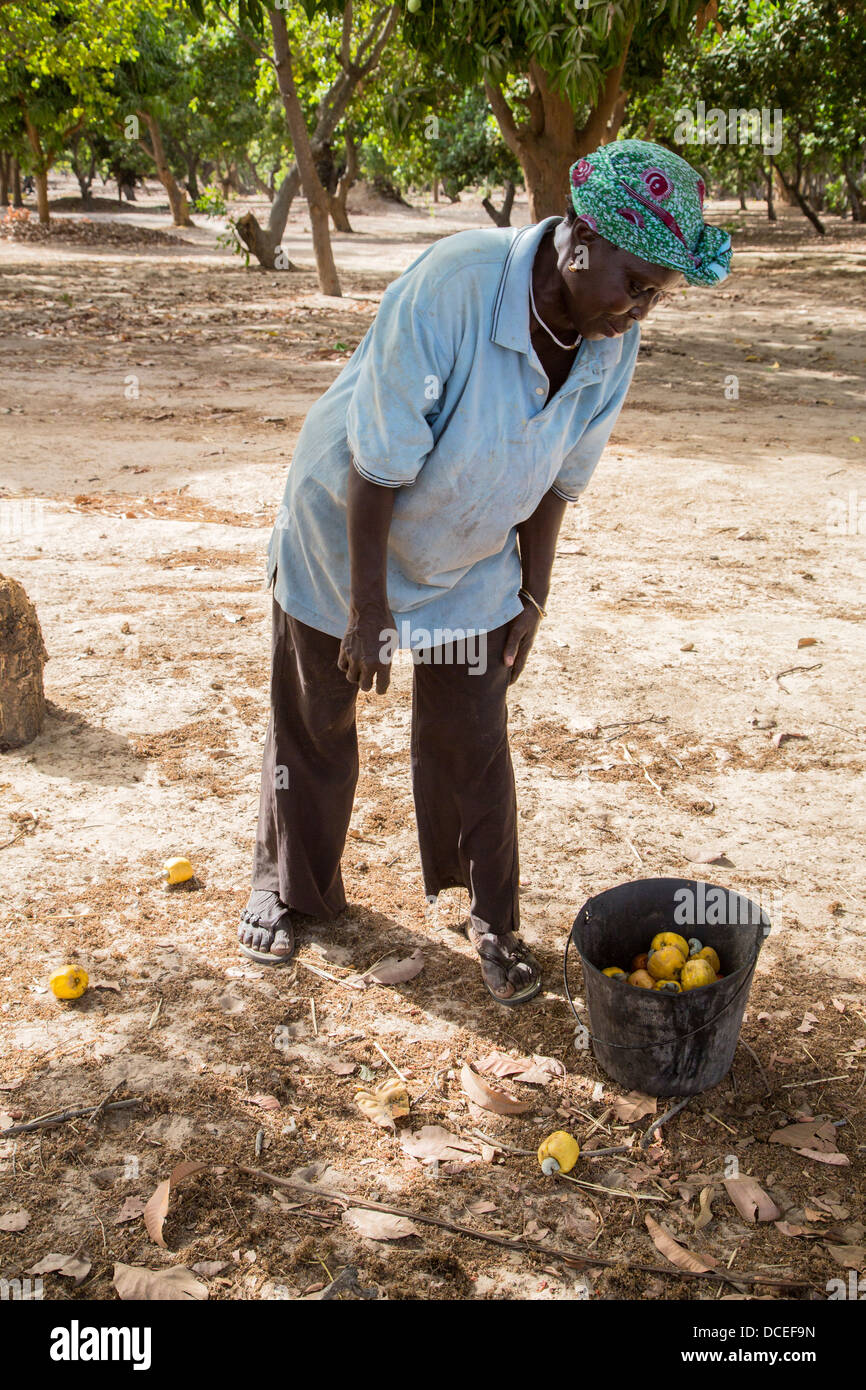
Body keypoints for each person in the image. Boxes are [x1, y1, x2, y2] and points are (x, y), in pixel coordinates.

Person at [237, 138, 732, 1005]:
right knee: (318, 716)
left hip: (469, 551)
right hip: (347, 525)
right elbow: (377, 462)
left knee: (471, 730)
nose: (642, 310)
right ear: (580, 241)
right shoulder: (456, 286)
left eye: (658, 296)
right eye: (636, 284)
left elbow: (556, 486)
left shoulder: (611, 344)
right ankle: (286, 887)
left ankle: (491, 919)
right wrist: (367, 611)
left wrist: (530, 596)